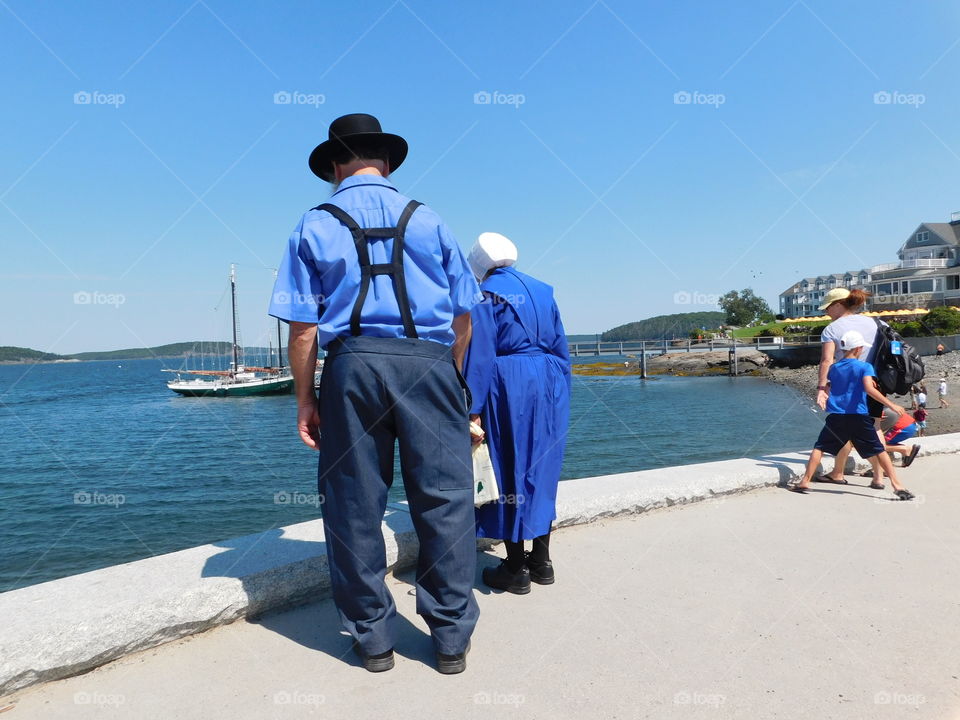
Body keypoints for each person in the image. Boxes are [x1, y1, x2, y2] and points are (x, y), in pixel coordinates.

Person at [269, 113, 482, 675]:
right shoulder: (429, 218)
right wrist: (450, 374)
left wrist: (306, 400)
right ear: (385, 162)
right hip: (430, 363)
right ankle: (451, 638)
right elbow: (465, 314)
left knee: (353, 504)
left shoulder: (313, 223)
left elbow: (303, 329)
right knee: (445, 499)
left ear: (335, 165)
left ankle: (373, 640)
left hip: (352, 367)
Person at [463, 232, 571, 595]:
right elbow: (560, 346)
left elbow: (479, 353)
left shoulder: (486, 293)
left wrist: (473, 408)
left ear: (477, 262)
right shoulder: (543, 290)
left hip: (509, 381)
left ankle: (514, 567)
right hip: (549, 380)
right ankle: (542, 562)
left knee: (509, 468)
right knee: (543, 468)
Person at [791, 330, 914, 500]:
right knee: (879, 450)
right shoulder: (865, 367)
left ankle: (805, 481)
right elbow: (869, 389)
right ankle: (897, 485)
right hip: (858, 416)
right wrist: (892, 404)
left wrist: (824, 394)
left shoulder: (834, 367)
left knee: (820, 447)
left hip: (837, 415)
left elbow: (830, 387)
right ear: (858, 348)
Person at [810, 289, 889, 484]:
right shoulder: (877, 322)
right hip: (875, 382)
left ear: (838, 304)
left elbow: (826, 360)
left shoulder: (832, 329)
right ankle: (878, 476)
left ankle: (838, 473)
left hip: (847, 387)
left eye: (827, 307)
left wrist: (822, 388)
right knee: (875, 428)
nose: (826, 312)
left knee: (842, 427)